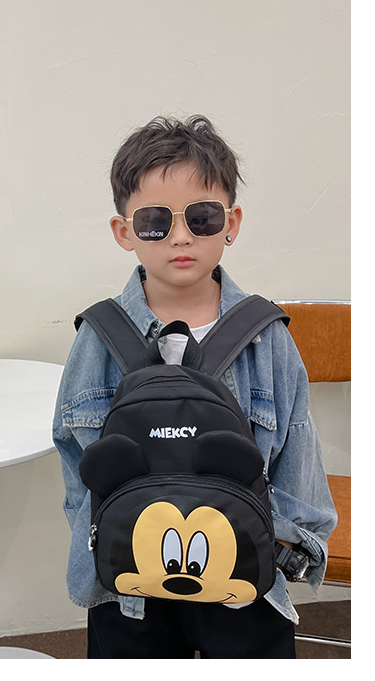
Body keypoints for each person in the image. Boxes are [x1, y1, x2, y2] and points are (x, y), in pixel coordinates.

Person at [52, 115, 337, 659]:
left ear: (231, 222)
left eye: (202, 217)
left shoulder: (266, 336)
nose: (180, 236)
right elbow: (74, 458)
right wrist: (98, 540)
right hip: (130, 584)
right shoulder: (99, 335)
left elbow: (298, 449)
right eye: (155, 221)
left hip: (244, 572)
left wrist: (288, 542)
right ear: (124, 232)